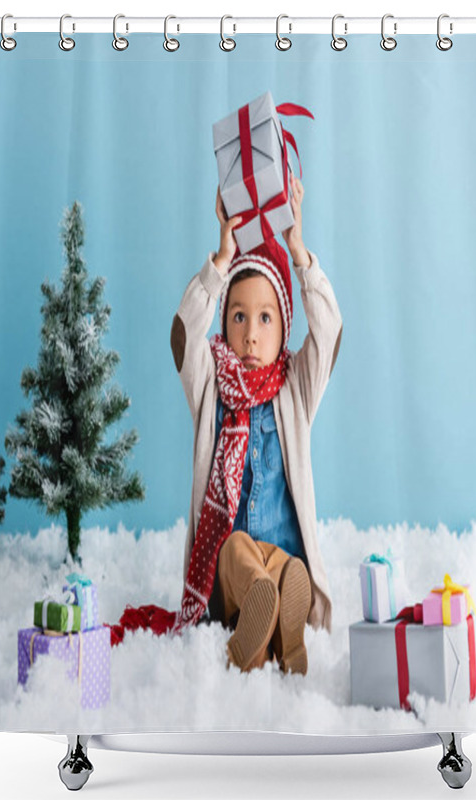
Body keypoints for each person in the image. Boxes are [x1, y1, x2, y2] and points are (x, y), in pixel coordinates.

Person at [169, 176, 342, 674]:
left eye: (265, 319)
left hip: (285, 557)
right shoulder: (210, 387)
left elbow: (329, 334)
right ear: (224, 324)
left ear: (285, 328)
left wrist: (299, 254)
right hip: (228, 580)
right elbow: (184, 334)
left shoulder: (295, 389)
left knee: (286, 568)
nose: (249, 335)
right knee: (239, 549)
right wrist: (220, 262)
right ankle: (262, 610)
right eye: (238, 317)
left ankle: (281, 635)